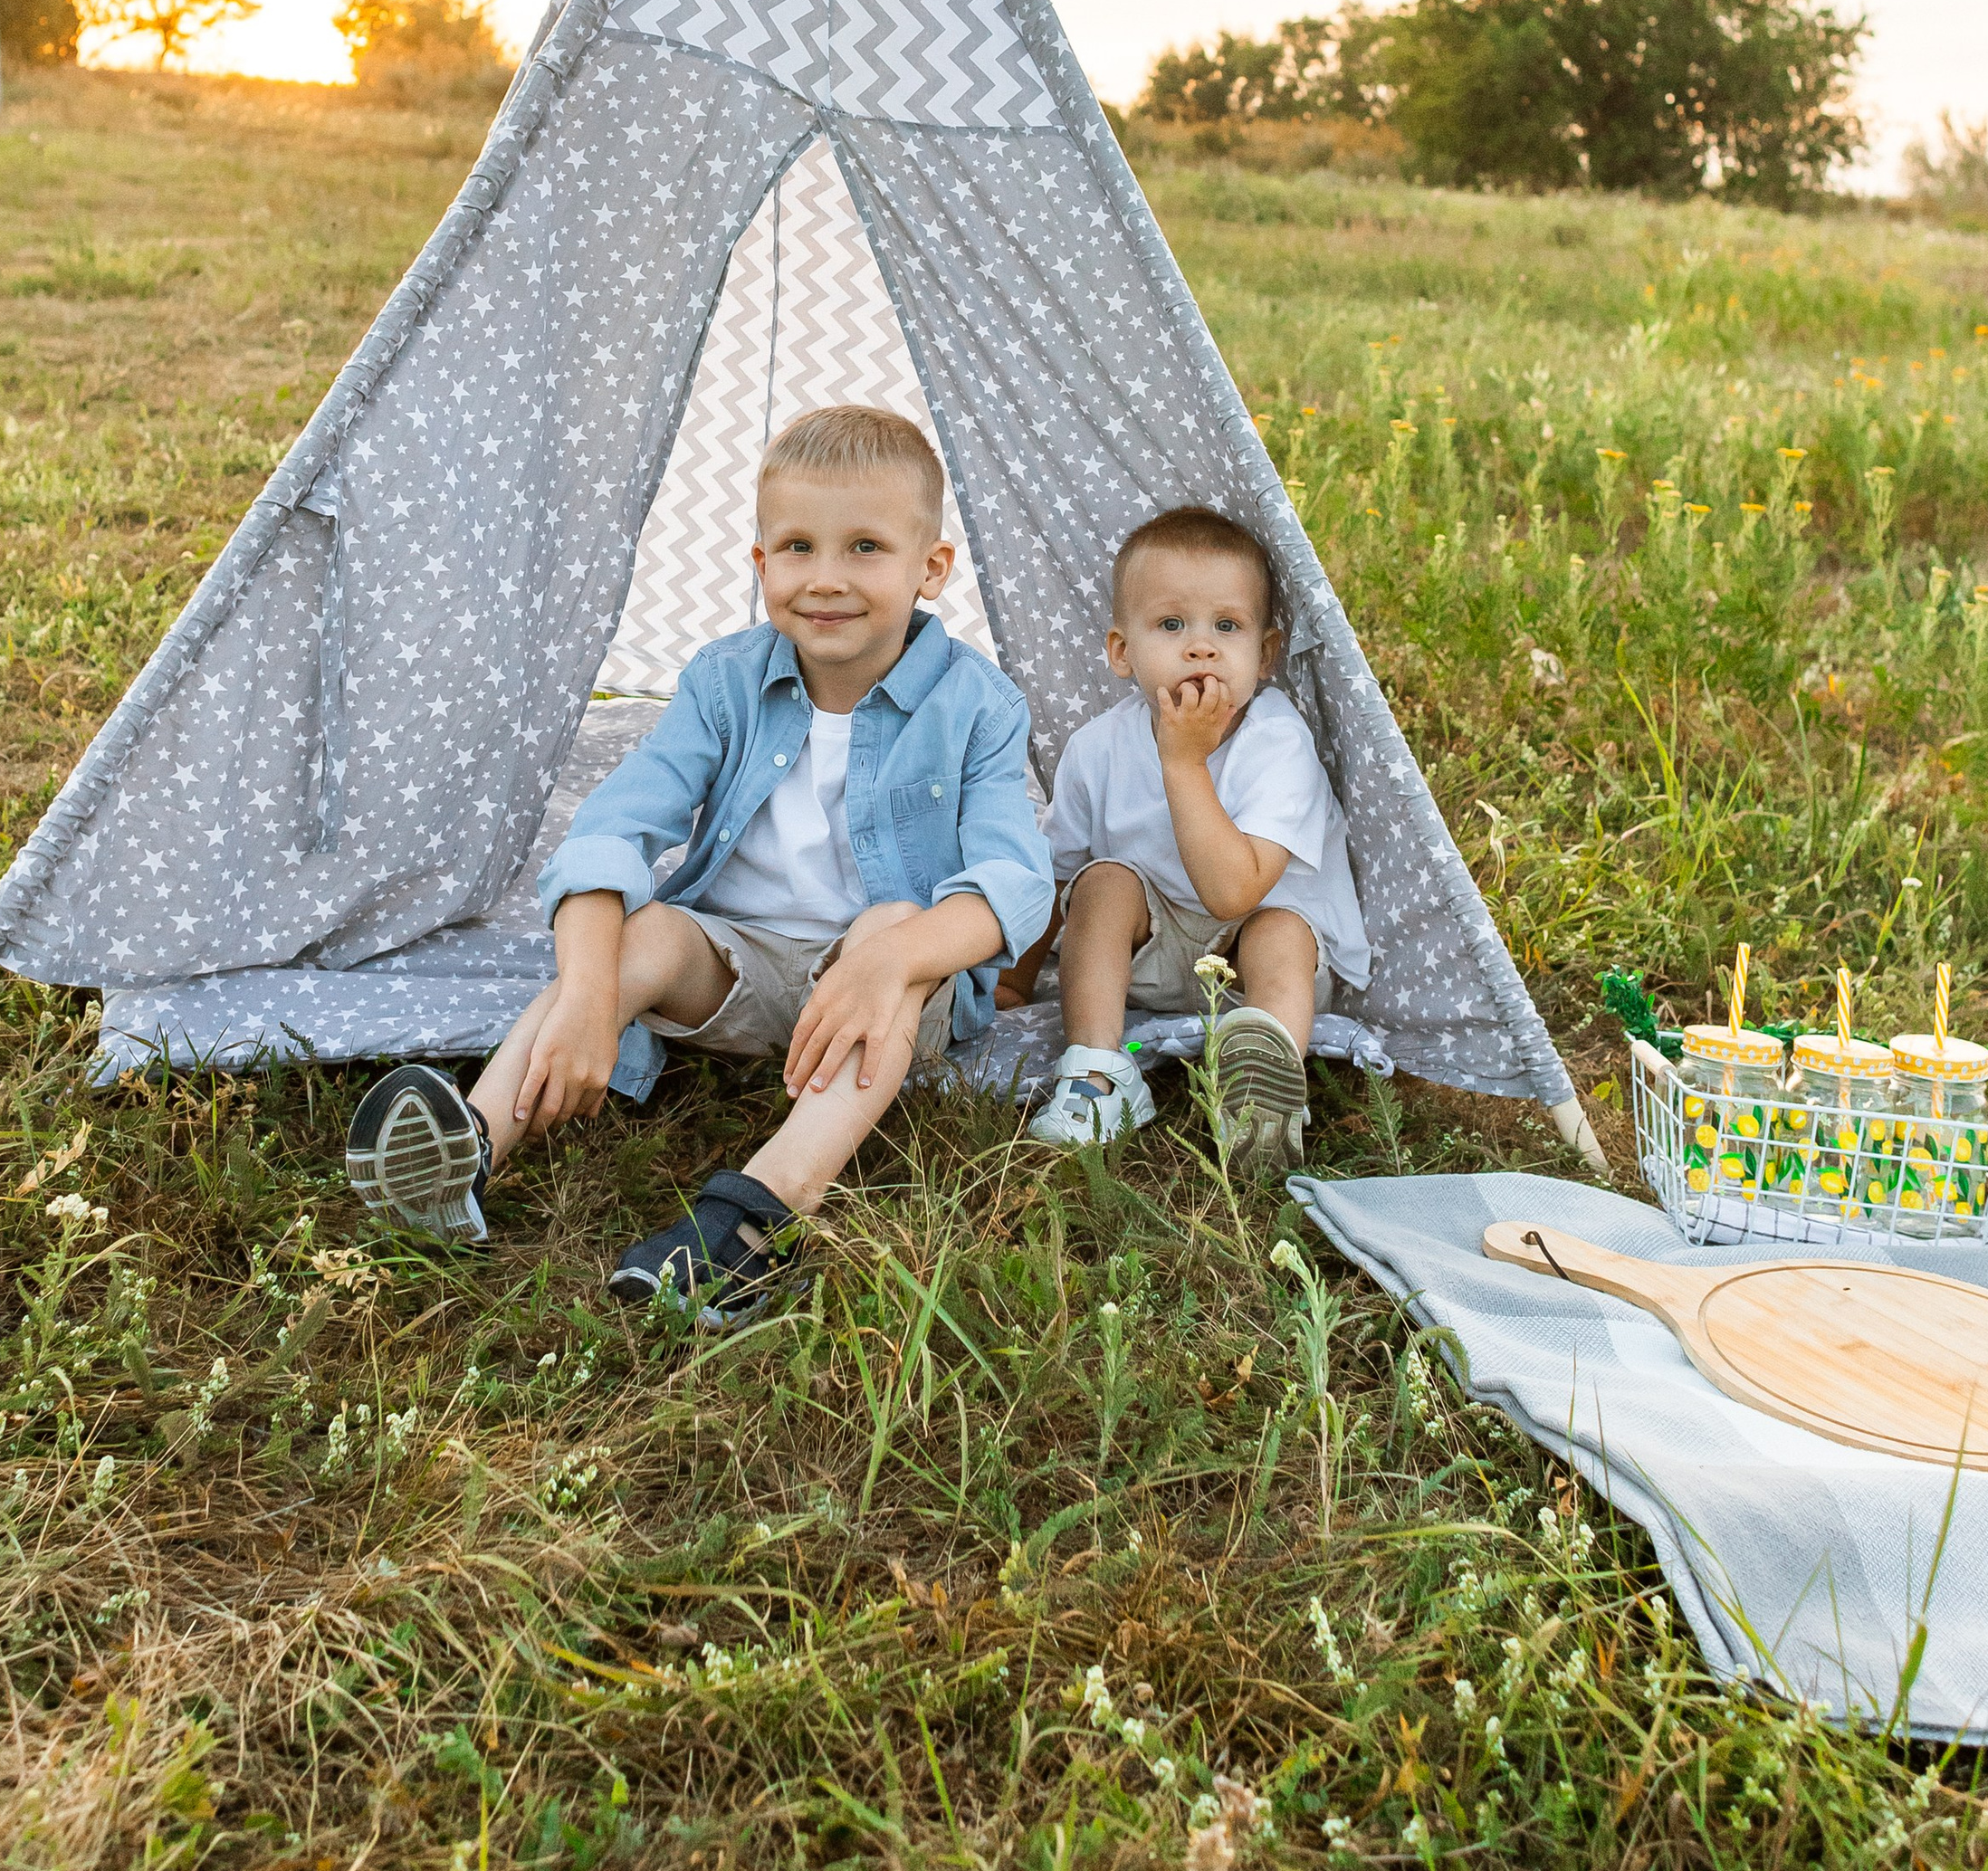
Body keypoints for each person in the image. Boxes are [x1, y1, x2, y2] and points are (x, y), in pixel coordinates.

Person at [342, 404, 1053, 1310]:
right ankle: (465, 1151)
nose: (825, 579)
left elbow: (1013, 884)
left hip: (890, 996)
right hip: (740, 968)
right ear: (760, 565)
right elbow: (609, 833)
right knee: (644, 931)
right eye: (796, 547)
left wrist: (894, 959)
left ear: (932, 568)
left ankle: (760, 1218)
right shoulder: (726, 680)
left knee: (893, 921)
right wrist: (593, 998)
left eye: (865, 548)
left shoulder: (979, 705)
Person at [1030, 504, 1369, 1167]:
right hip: (1151, 965)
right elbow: (1052, 882)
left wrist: (1184, 761)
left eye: (1228, 626)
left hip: (1254, 961)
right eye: (1171, 624)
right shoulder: (1096, 747)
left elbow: (1232, 891)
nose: (1201, 646)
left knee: (1280, 929)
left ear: (1266, 654)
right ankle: (1101, 1075)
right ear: (1122, 653)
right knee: (1101, 884)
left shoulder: (1276, 742)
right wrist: (1012, 985)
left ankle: (1264, 1090)